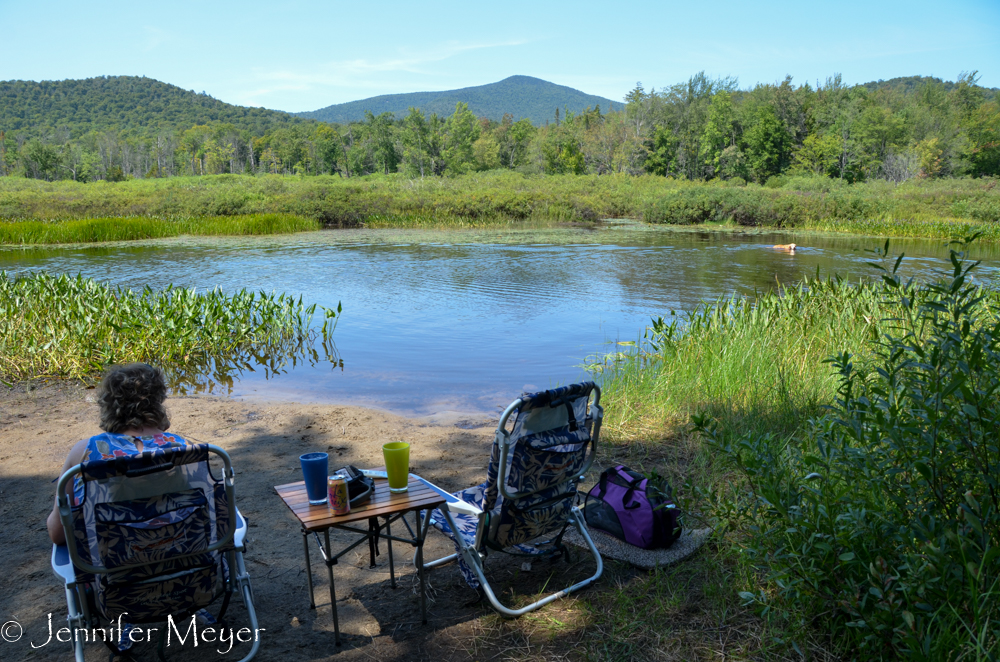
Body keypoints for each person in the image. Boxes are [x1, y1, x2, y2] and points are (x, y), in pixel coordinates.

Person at [47, 363, 187, 545]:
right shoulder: (181, 447)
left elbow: (58, 533)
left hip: (107, 566)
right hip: (180, 557)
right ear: (158, 401)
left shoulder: (83, 451)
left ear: (108, 404)